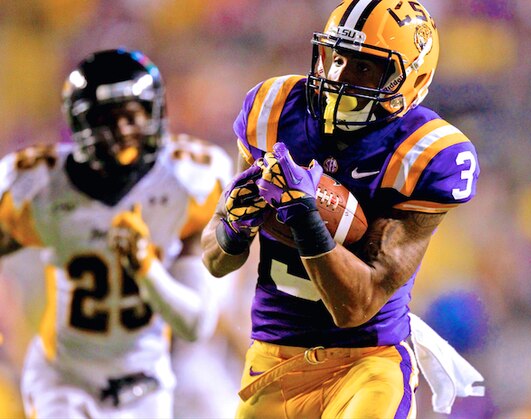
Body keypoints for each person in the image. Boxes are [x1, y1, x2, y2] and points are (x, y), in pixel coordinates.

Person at [201, 1, 484, 418]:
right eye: (337, 58)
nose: (338, 77)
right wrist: (234, 228)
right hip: (273, 359)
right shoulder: (273, 108)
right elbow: (214, 261)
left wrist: (303, 215)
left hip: (366, 364)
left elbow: (356, 307)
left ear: (413, 79)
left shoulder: (425, 153)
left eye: (364, 67)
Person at [0, 48, 233, 418]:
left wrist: (146, 268)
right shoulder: (39, 186)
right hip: (64, 379)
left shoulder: (187, 182)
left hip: (145, 381)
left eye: (131, 116)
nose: (121, 131)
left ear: (154, 113)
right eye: (106, 119)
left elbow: (194, 325)